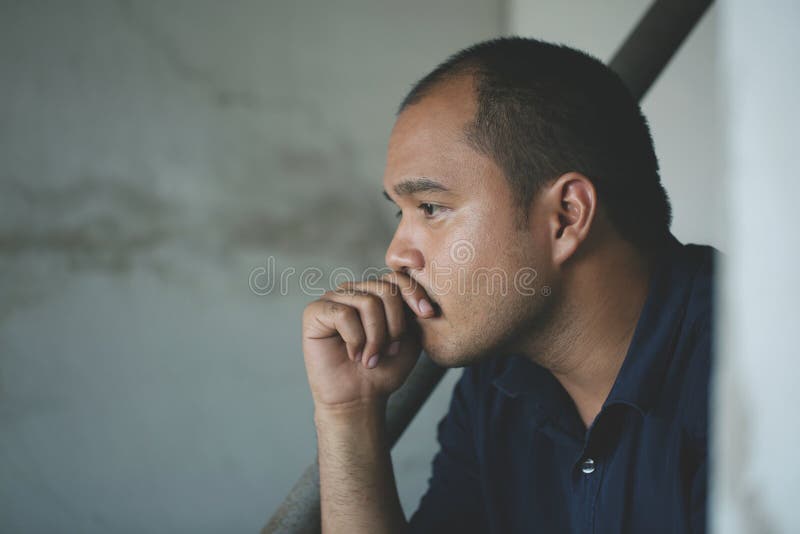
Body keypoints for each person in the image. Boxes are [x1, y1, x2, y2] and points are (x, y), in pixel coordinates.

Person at [301, 37, 715, 533]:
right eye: (401, 211)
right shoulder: (499, 385)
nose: (396, 255)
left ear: (566, 216)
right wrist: (349, 415)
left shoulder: (763, 371)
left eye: (431, 208)